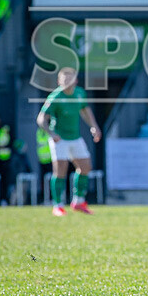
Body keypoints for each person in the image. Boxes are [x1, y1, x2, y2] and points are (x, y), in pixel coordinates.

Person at [36, 67, 102, 216]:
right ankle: (57, 205)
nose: (67, 82)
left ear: (75, 80)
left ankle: (78, 201)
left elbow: (85, 110)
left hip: (75, 137)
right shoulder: (55, 97)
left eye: (70, 79)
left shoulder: (79, 93)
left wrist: (94, 126)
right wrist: (51, 134)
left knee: (85, 167)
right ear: (59, 81)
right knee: (60, 170)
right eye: (64, 80)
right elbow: (41, 119)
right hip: (60, 138)